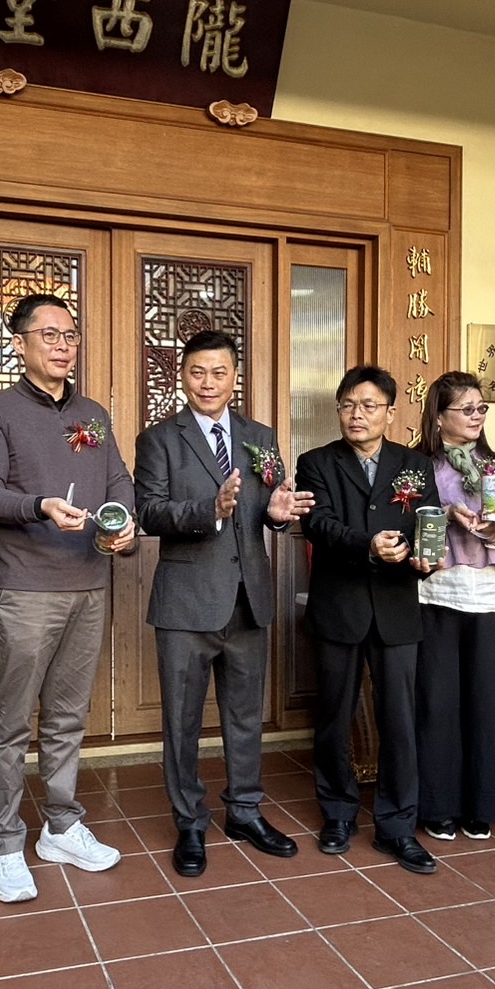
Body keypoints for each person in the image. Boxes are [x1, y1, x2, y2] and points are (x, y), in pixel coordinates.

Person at [0, 293, 135, 902]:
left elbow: (118, 479)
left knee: (67, 718)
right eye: (50, 335)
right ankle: (5, 843)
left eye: (70, 336)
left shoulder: (92, 413)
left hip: (89, 584)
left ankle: (60, 826)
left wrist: (125, 521)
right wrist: (39, 506)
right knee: (12, 724)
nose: (64, 346)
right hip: (26, 588)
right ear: (19, 344)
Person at [133, 330, 313, 877]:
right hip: (186, 603)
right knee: (182, 721)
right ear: (182, 376)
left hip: (248, 599)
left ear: (236, 378)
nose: (208, 383)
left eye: (219, 373)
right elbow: (149, 512)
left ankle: (245, 810)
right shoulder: (159, 439)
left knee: (245, 715)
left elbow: (267, 506)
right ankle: (189, 821)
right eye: (197, 372)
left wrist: (276, 515)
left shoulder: (260, 437)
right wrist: (208, 510)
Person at [296, 365, 439, 874]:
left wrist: (426, 556)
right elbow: (319, 524)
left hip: (397, 608)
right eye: (348, 405)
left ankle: (397, 826)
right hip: (340, 607)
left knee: (399, 720)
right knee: (333, 717)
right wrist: (369, 546)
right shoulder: (316, 462)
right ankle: (337, 813)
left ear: (390, 413)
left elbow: (429, 522)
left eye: (369, 405)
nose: (357, 414)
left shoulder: (414, 465)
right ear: (338, 410)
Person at [414, 372, 495, 842]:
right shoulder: (418, 465)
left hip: (493, 597)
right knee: (438, 704)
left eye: (482, 408)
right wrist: (444, 516)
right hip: (437, 594)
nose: (477, 416)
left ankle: (483, 803)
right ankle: (439, 804)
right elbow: (405, 525)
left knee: (491, 704)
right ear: (439, 416)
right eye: (466, 409)